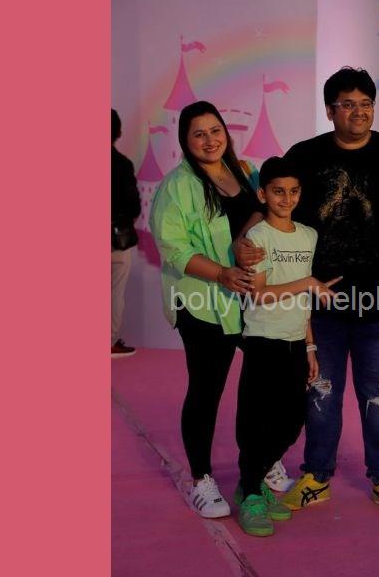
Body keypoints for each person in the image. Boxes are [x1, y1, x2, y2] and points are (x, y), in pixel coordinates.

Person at [236, 67, 379, 515]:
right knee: (320, 391)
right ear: (330, 110)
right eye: (347, 104)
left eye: (365, 104)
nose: (358, 112)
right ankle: (316, 476)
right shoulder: (306, 155)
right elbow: (270, 202)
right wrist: (242, 241)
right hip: (319, 305)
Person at [149, 100, 265, 519]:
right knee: (206, 390)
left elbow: (263, 209)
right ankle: (202, 479)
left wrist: (244, 238)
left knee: (266, 380)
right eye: (198, 134)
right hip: (202, 302)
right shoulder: (177, 187)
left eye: (215, 130)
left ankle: (261, 460)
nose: (210, 140)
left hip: (250, 298)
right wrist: (221, 273)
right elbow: (174, 249)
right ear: (185, 141)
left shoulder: (245, 171)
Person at [232, 156, 340, 536]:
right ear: (263, 194)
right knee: (257, 421)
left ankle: (251, 481)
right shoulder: (258, 237)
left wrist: (310, 346)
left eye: (293, 191)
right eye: (278, 191)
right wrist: (307, 283)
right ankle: (251, 492)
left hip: (296, 341)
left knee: (292, 422)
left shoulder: (308, 235)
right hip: (263, 340)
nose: (287, 198)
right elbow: (258, 294)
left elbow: (305, 300)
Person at [111, 109, 142, 358]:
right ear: (118, 132)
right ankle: (109, 341)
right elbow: (134, 207)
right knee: (114, 292)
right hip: (116, 240)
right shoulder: (122, 164)